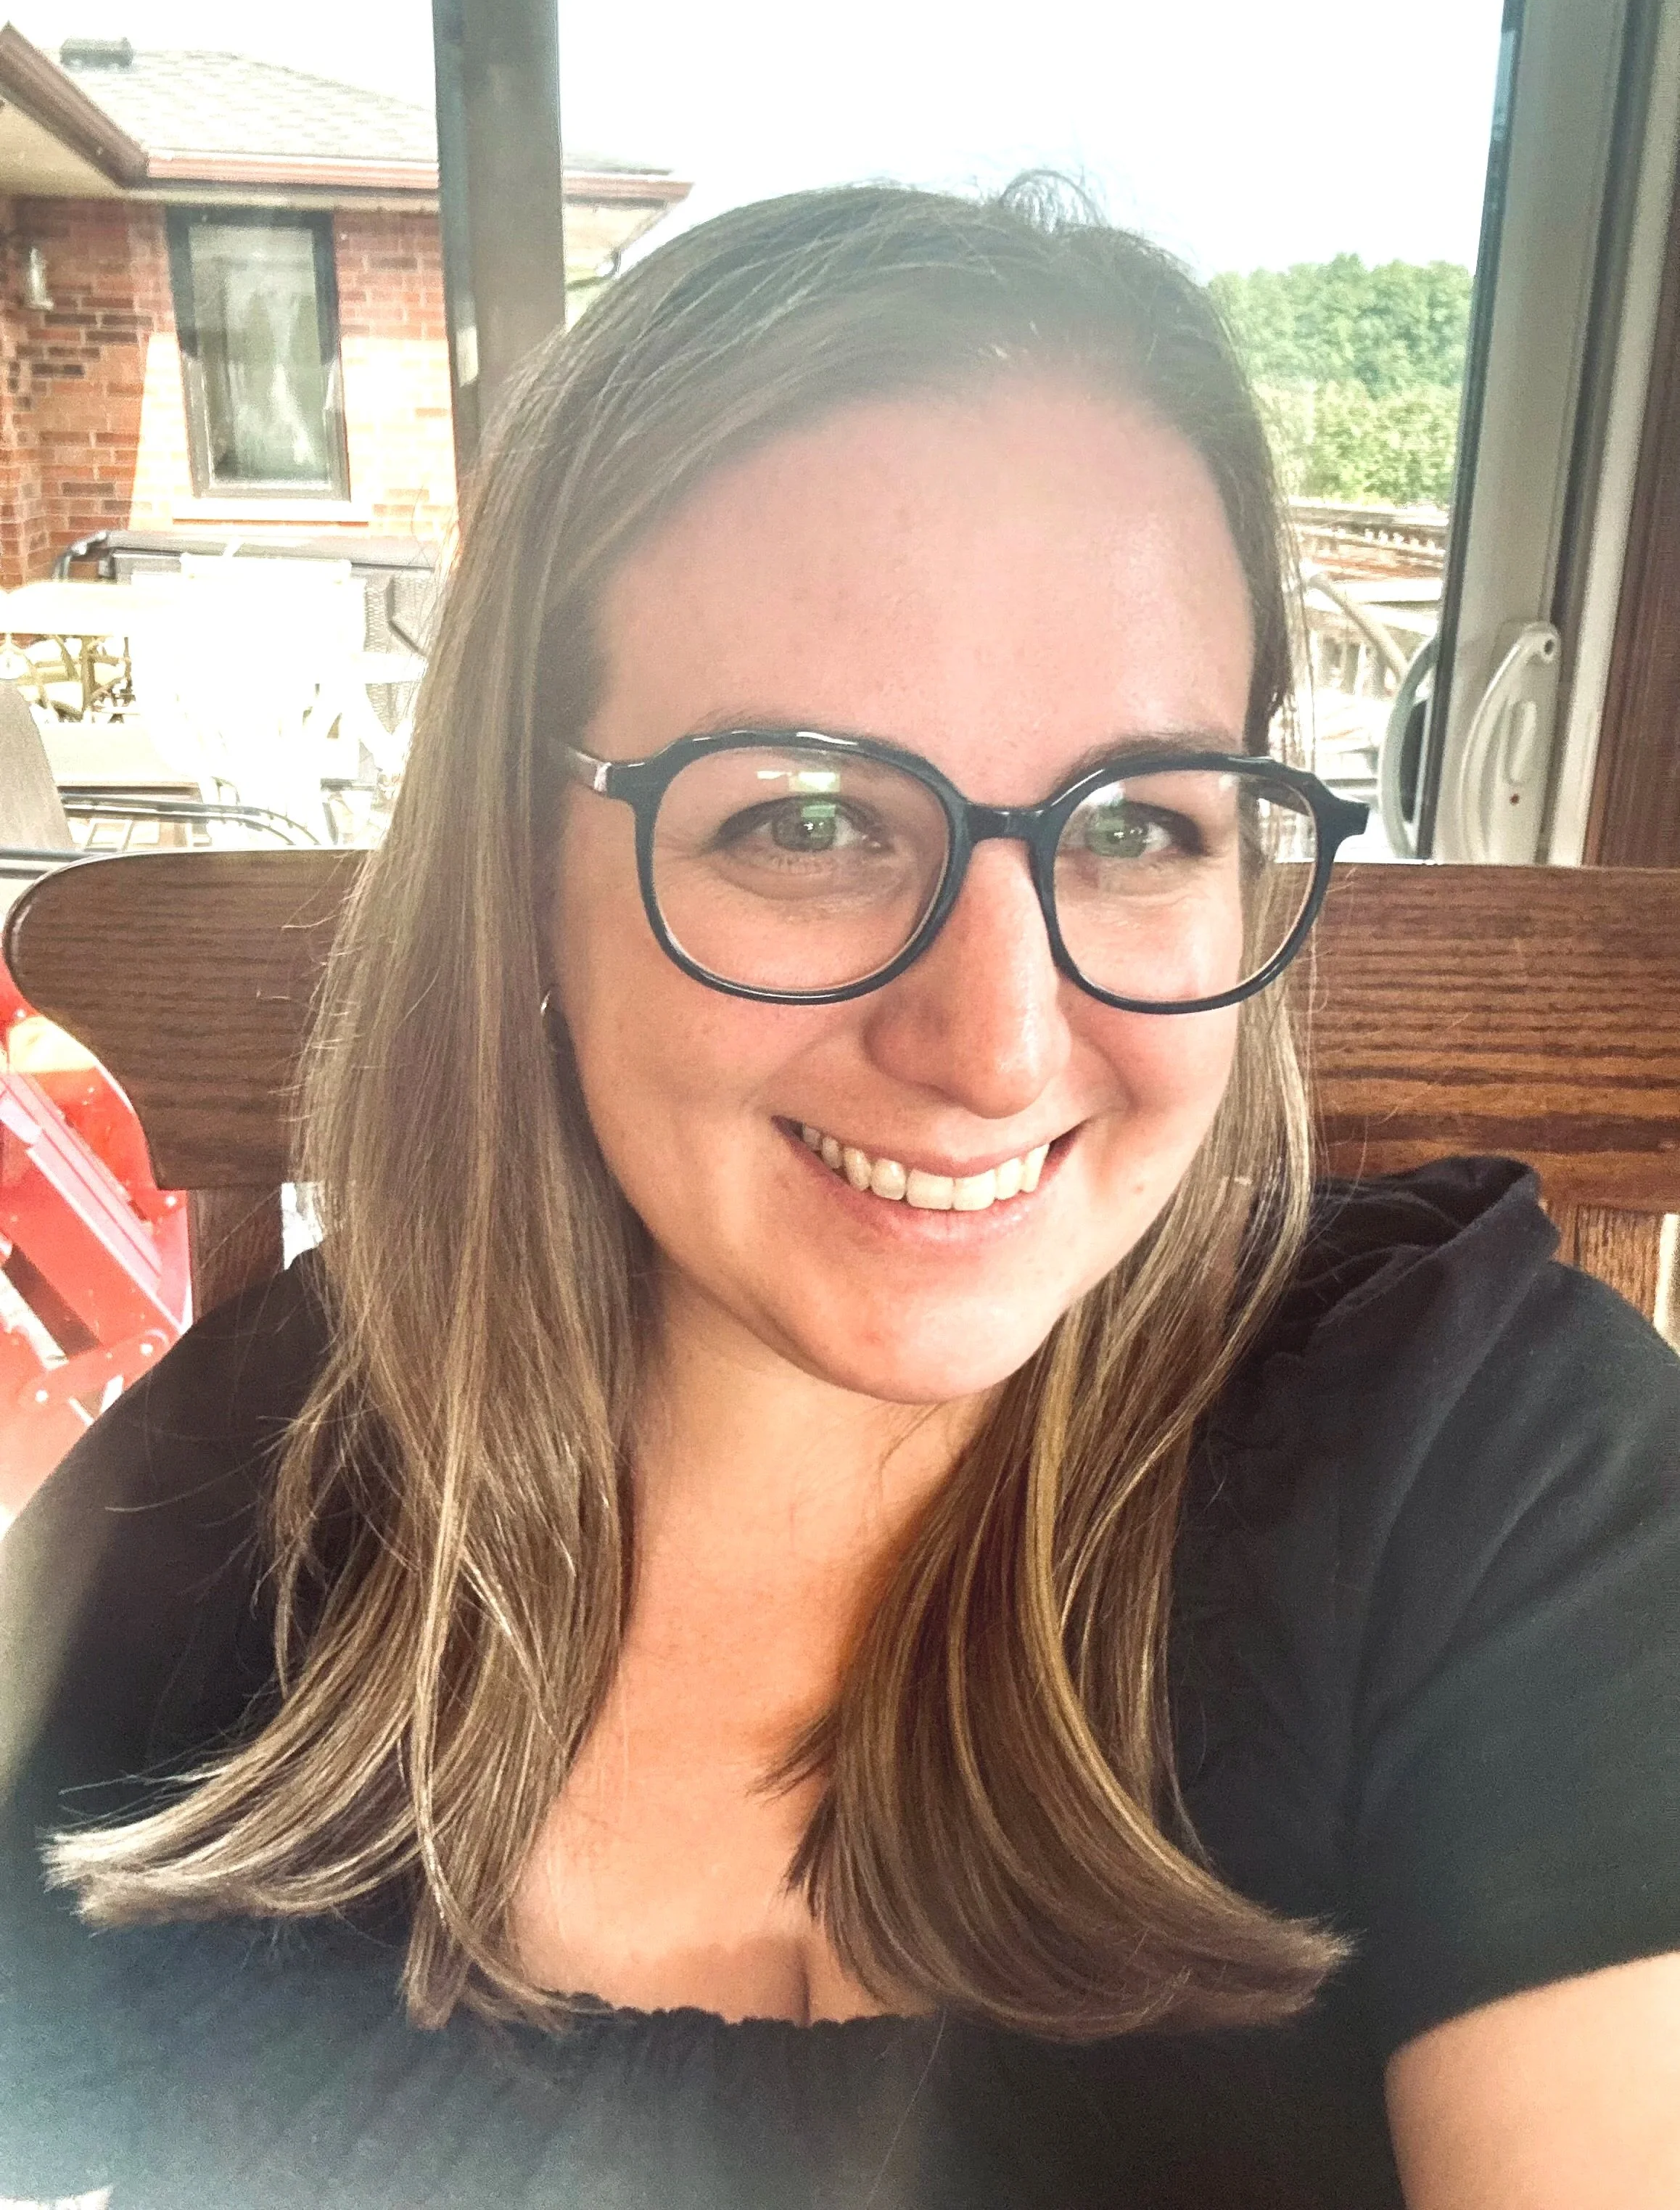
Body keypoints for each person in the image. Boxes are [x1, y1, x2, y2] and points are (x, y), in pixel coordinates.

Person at [3, 180, 1679, 2210]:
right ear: (521, 860)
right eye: (804, 820)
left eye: (1140, 823)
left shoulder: (1489, 1462)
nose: (994, 1041)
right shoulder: (239, 1497)